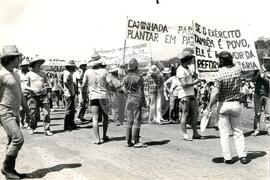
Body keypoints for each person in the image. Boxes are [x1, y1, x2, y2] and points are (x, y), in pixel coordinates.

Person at [207, 51, 249, 164]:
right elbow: (238, 63)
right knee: (238, 131)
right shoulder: (237, 69)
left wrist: (209, 105)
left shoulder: (219, 74)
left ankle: (228, 157)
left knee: (224, 133)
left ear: (221, 61)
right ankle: (243, 155)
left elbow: (215, 93)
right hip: (235, 103)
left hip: (223, 104)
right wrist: (231, 60)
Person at [0, 45, 29, 179]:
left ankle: (10, 171)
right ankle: (6, 167)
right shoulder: (1, 75)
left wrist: (27, 110)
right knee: (18, 139)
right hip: (5, 112)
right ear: (10, 60)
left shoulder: (16, 74)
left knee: (12, 140)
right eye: (18, 58)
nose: (20, 60)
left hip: (16, 112)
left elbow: (21, 94)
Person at [81, 52, 112, 144]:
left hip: (93, 96)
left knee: (95, 118)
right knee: (105, 117)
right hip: (103, 96)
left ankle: (97, 139)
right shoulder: (105, 71)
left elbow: (83, 86)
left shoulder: (87, 72)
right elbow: (110, 84)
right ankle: (104, 135)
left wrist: (83, 96)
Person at [177, 49, 202, 141]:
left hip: (191, 93)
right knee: (185, 114)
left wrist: (195, 76)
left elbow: (193, 76)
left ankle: (195, 132)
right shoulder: (180, 70)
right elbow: (184, 84)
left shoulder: (190, 68)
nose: (192, 60)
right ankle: (184, 134)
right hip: (184, 94)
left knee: (195, 113)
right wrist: (195, 82)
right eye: (191, 58)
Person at [25, 58, 53, 136]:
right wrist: (33, 89)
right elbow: (25, 86)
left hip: (44, 96)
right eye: (38, 64)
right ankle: (32, 128)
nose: (40, 65)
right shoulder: (29, 74)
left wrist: (45, 85)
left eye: (40, 64)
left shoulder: (43, 73)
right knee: (33, 114)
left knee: (46, 113)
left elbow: (46, 83)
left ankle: (47, 129)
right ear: (33, 65)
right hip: (33, 97)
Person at [123, 58, 147, 148]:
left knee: (129, 120)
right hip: (137, 99)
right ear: (136, 67)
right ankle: (136, 141)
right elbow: (141, 92)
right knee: (136, 120)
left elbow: (124, 91)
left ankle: (128, 141)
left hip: (129, 99)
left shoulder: (125, 78)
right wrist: (143, 102)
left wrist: (128, 97)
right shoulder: (139, 78)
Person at [251, 63, 270, 136]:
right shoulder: (257, 71)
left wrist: (264, 75)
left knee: (268, 113)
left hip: (267, 94)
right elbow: (253, 79)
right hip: (258, 94)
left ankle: (268, 129)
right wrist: (259, 73)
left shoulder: (268, 72)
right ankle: (256, 129)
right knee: (257, 113)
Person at [63, 60, 78, 131]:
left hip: (69, 93)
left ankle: (71, 124)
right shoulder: (68, 74)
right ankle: (67, 125)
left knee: (71, 110)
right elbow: (65, 82)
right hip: (69, 94)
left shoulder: (67, 73)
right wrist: (70, 90)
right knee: (69, 110)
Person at [18, 58, 30, 128]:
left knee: (28, 109)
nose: (25, 67)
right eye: (24, 66)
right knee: (21, 109)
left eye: (26, 66)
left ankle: (27, 122)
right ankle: (21, 121)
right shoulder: (18, 73)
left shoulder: (30, 73)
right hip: (20, 93)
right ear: (21, 66)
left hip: (29, 93)